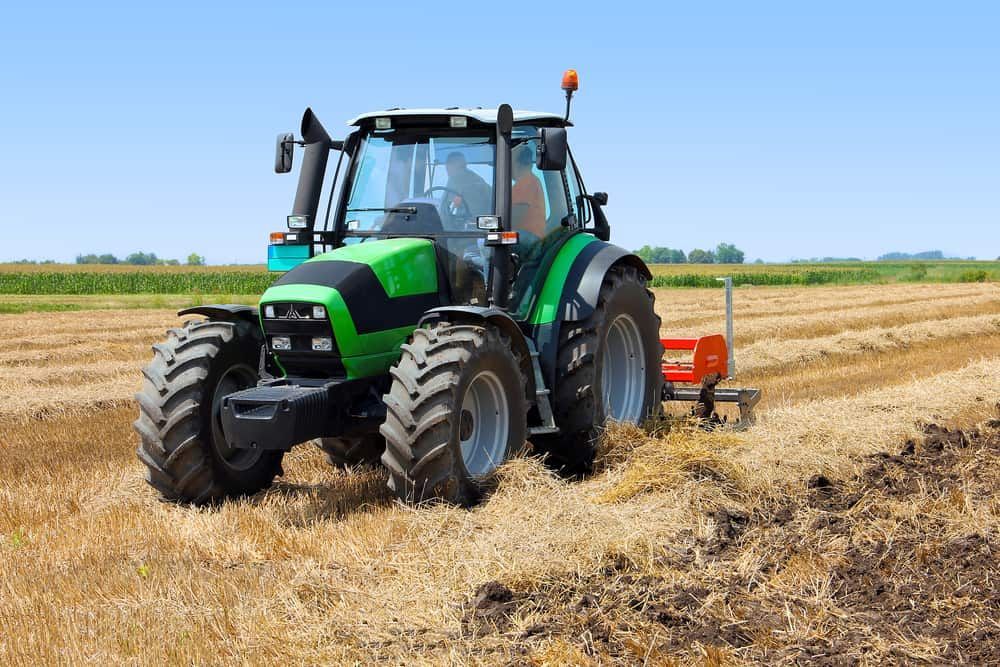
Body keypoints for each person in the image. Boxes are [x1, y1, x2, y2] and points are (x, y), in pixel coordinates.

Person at [443, 152, 492, 224]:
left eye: (452, 164)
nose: (447, 169)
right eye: (448, 164)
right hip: (461, 221)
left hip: (478, 224)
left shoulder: (475, 181)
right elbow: (446, 205)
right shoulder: (453, 179)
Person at [511, 144, 546, 241]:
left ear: (516, 164)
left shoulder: (526, 182)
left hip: (527, 237)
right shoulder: (530, 181)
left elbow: (516, 217)